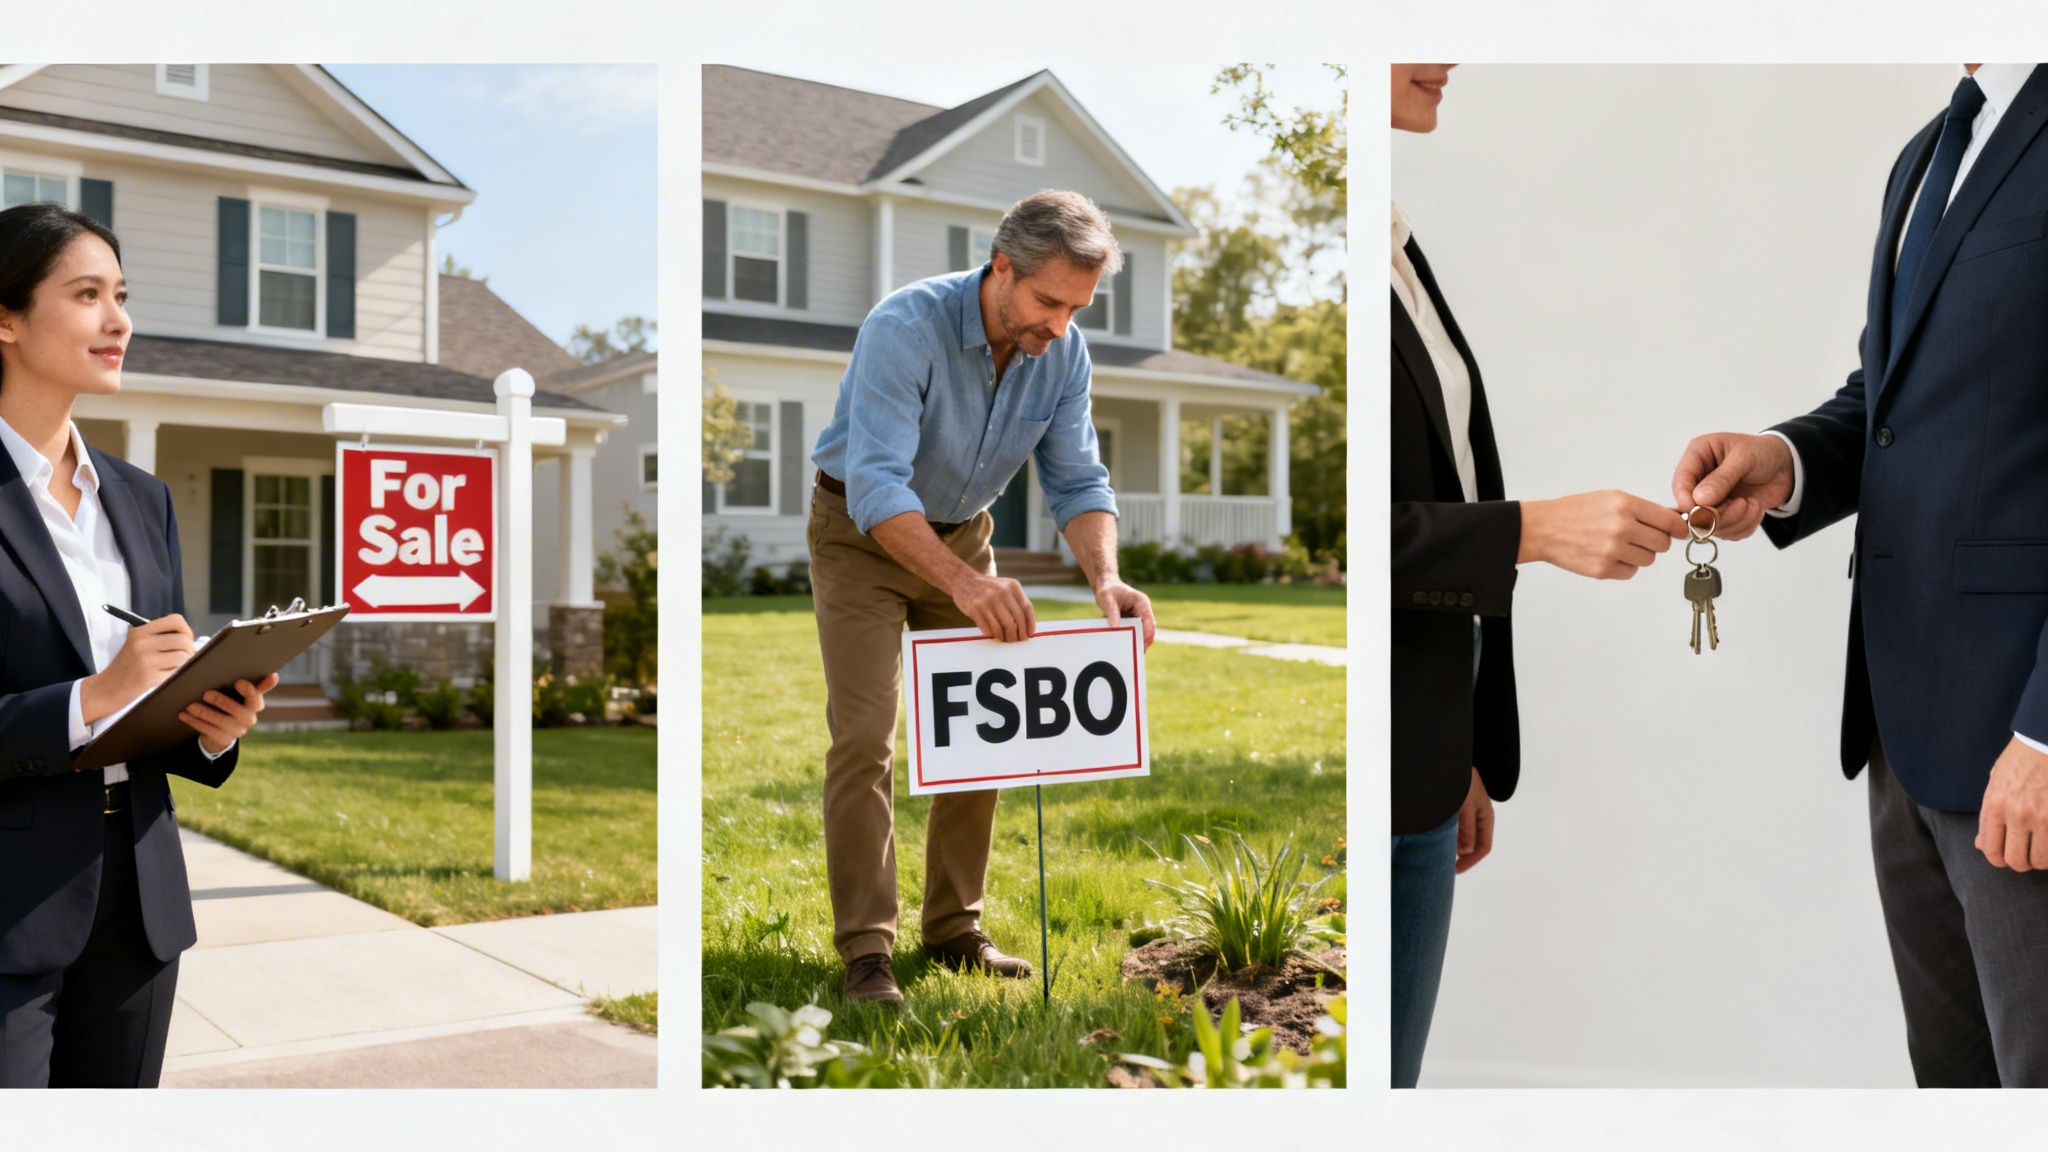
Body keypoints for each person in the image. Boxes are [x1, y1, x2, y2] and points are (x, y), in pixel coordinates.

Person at [1675, 63, 2048, 1088]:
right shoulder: (1928, 147)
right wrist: (1785, 461)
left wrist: (2045, 731)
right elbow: (1891, 394)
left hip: (2025, 739)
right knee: (1952, 1085)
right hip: (1902, 729)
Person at [1391, 63, 1685, 1087]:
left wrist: (1454, 739)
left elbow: (1444, 475)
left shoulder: (1395, 248)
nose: (1452, 51)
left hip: (1424, 755)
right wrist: (1534, 531)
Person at [807, 189, 1156, 1004]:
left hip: (962, 532)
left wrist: (1105, 577)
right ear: (1002, 266)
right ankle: (867, 951)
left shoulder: (1062, 353)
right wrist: (965, 585)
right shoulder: (904, 327)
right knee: (865, 738)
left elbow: (1077, 480)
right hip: (862, 534)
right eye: (1047, 302)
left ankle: (954, 928)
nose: (1060, 326)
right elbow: (877, 486)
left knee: (976, 731)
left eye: (1077, 307)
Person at [0, 203, 277, 1088]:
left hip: (141, 903)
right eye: (87, 295)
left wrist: (209, 724)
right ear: (5, 318)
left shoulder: (142, 497)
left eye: (122, 295)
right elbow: (106, 691)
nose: (119, 321)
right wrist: (95, 693)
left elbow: (155, 693)